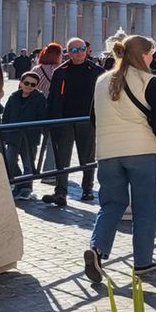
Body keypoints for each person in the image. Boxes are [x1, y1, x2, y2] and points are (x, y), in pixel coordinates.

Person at [84, 35, 156, 283]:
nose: (152, 58)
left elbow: (93, 118)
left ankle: (97, 248)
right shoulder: (149, 81)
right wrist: (149, 138)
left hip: (108, 152)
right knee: (143, 207)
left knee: (111, 204)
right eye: (150, 53)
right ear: (142, 55)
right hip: (140, 150)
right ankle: (142, 262)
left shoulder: (101, 81)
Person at [45, 38, 104, 206]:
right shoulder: (60, 71)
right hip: (64, 120)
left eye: (81, 49)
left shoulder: (96, 71)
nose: (78, 53)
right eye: (74, 50)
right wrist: (52, 120)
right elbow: (53, 97)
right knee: (62, 158)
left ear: (87, 50)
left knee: (87, 156)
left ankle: (87, 189)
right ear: (68, 52)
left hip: (87, 119)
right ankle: (60, 191)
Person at [0, 69, 48, 200]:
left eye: (33, 84)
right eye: (26, 83)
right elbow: (6, 115)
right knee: (10, 162)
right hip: (13, 136)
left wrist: (36, 129)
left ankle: (26, 188)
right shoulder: (13, 97)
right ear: (21, 83)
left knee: (28, 163)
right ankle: (17, 184)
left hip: (30, 137)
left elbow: (42, 117)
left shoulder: (39, 98)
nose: (29, 86)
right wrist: (4, 132)